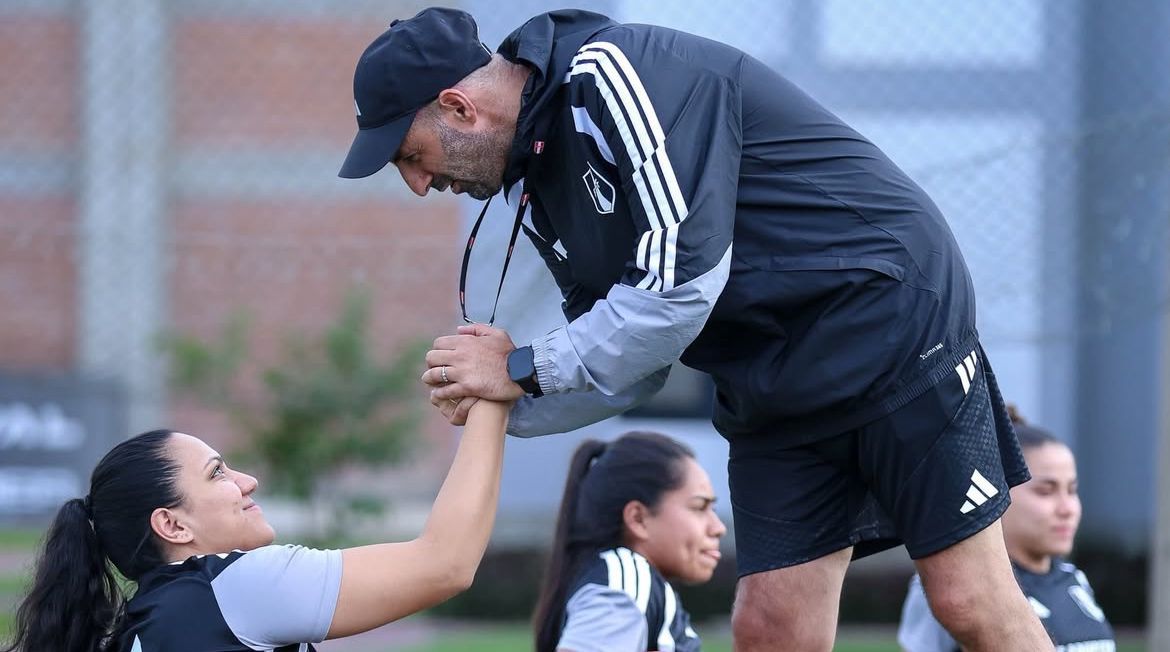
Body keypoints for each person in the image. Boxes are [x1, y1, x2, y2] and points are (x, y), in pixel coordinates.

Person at [338, 7, 1052, 650]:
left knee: (968, 602)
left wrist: (519, 369)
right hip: (768, 376)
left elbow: (677, 290)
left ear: (459, 107)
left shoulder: (612, 77)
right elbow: (630, 358)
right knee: (770, 629)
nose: (419, 185)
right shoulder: (544, 182)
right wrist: (503, 403)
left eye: (410, 156)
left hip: (886, 320)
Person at [2, 398, 510, 652]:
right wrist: (491, 396)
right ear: (172, 525)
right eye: (217, 473)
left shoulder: (141, 625)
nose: (248, 481)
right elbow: (445, 564)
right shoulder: (235, 587)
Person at [897, 408, 1116, 652]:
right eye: (1046, 491)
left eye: (1072, 490)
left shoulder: (1074, 579)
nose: (1067, 509)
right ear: (999, 491)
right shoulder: (951, 583)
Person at [532, 432, 726, 652]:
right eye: (699, 507)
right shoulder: (627, 581)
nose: (718, 527)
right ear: (638, 518)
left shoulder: (632, 583)